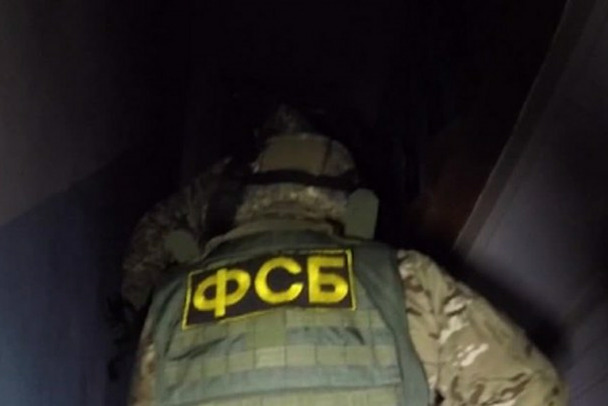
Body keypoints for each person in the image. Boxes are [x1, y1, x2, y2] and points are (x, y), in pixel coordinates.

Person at [125, 107, 566, 405]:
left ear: (244, 196)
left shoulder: (172, 303)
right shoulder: (403, 280)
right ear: (350, 202)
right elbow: (531, 391)